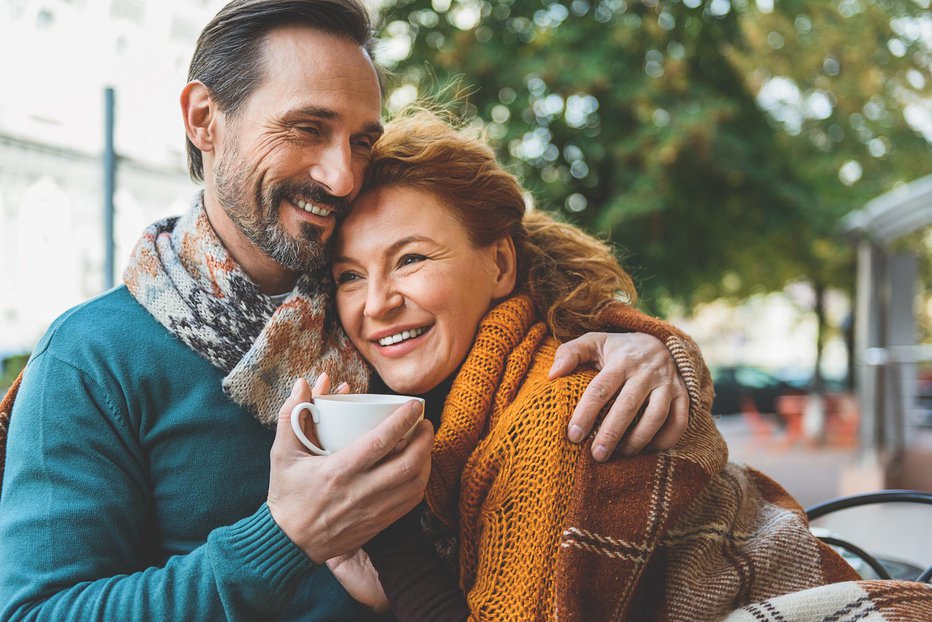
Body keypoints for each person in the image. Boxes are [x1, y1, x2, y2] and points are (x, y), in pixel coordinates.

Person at [0, 1, 704, 620]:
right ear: (203, 120)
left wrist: (637, 341)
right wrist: (284, 537)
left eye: (362, 140)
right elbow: (40, 610)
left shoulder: (386, 327)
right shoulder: (93, 357)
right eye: (307, 128)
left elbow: (526, 272)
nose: (341, 175)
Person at [310, 109, 869, 620]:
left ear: (501, 263)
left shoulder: (559, 406)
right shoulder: (467, 400)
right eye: (350, 276)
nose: (377, 302)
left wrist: (390, 543)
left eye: (410, 259)